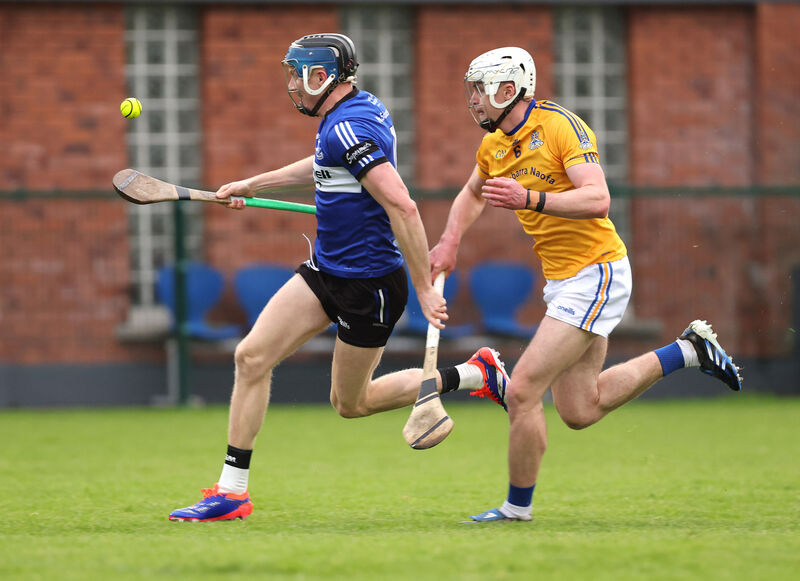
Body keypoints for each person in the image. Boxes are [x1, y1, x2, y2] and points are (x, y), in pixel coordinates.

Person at [168, 33, 510, 522]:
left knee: (352, 403)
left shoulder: (347, 127)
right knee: (251, 356)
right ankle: (231, 491)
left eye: (296, 74)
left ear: (321, 76)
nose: (291, 84)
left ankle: (477, 373)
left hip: (367, 285)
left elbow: (403, 205)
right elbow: (325, 162)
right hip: (326, 270)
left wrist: (423, 288)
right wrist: (252, 183)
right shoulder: (349, 114)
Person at [428, 47, 743, 523]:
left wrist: (528, 197)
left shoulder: (560, 127)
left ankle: (516, 510)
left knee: (522, 391)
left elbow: (598, 199)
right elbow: (472, 193)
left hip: (597, 271)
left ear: (507, 90)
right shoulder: (493, 146)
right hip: (565, 280)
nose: (471, 99)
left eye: (479, 89)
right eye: (470, 89)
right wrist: (450, 240)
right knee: (580, 408)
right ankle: (688, 351)